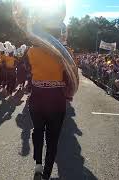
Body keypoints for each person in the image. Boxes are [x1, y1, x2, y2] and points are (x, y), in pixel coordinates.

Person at [26, 27, 72, 179]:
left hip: (37, 97)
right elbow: (70, 78)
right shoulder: (65, 53)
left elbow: (26, 70)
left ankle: (38, 163)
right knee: (53, 140)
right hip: (56, 100)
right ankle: (47, 173)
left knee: (38, 131)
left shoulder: (31, 51)